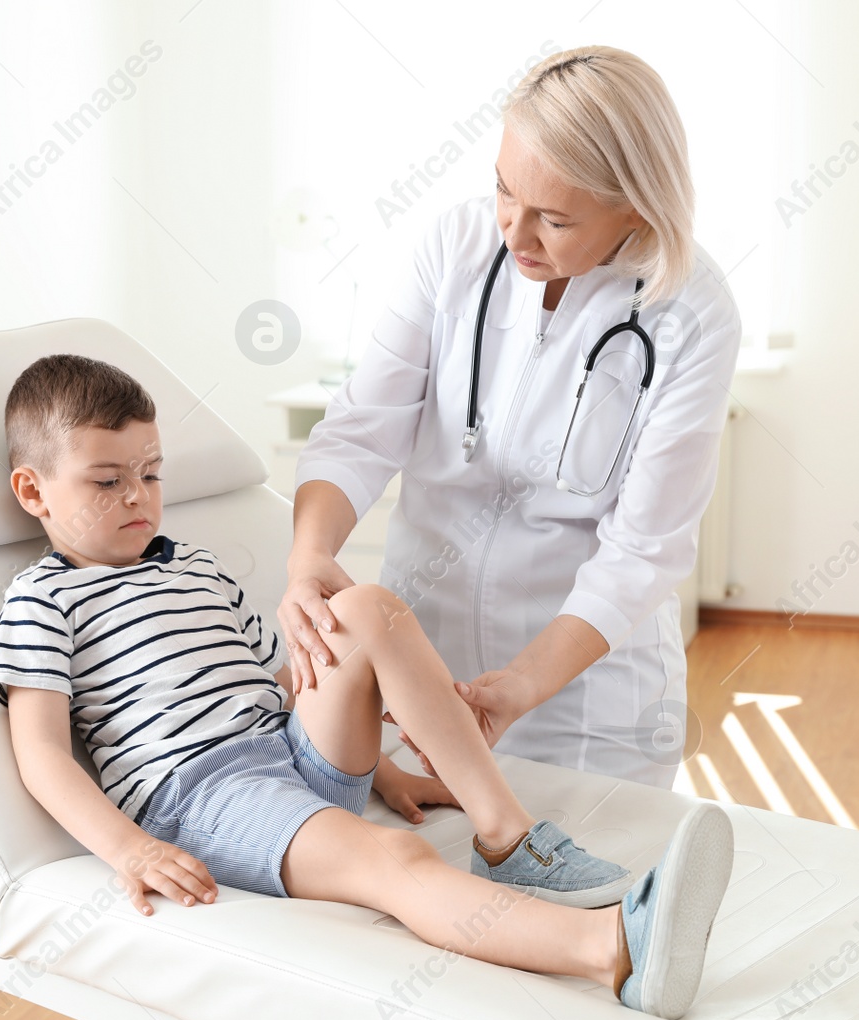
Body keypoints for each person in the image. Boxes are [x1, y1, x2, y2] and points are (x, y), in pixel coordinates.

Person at [0, 354, 735, 1020]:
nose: (138, 496)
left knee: (363, 604)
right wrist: (131, 849)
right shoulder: (44, 600)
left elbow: (283, 676)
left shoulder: (196, 568)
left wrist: (382, 765)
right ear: (33, 491)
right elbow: (43, 753)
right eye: (107, 481)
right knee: (397, 862)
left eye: (150, 474)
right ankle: (617, 951)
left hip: (287, 749)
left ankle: (510, 837)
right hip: (205, 793)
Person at [281, 46, 740, 789]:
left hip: (584, 700)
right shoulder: (455, 247)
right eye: (503, 192)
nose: (514, 234)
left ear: (636, 207)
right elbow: (362, 427)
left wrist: (524, 684)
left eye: (555, 220)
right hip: (419, 670)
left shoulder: (691, 312)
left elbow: (643, 550)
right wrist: (308, 559)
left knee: (585, 886)